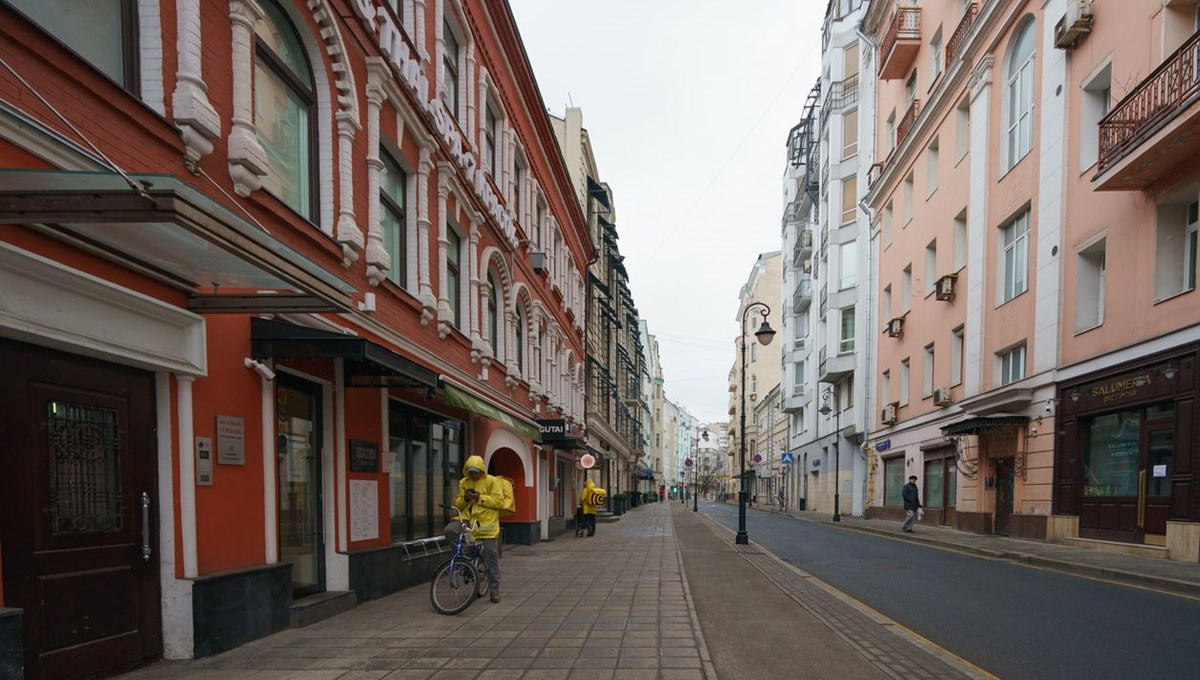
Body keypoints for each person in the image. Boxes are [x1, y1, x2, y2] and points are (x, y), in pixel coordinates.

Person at [454, 455, 506, 602]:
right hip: (470, 524)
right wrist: (465, 498)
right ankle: (466, 567)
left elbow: (498, 502)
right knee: (451, 532)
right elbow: (458, 505)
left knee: (491, 558)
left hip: (487, 525)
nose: (473, 475)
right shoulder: (463, 482)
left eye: (476, 472)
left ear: (482, 471)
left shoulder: (492, 481)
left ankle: (494, 589)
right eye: (470, 472)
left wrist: (479, 497)